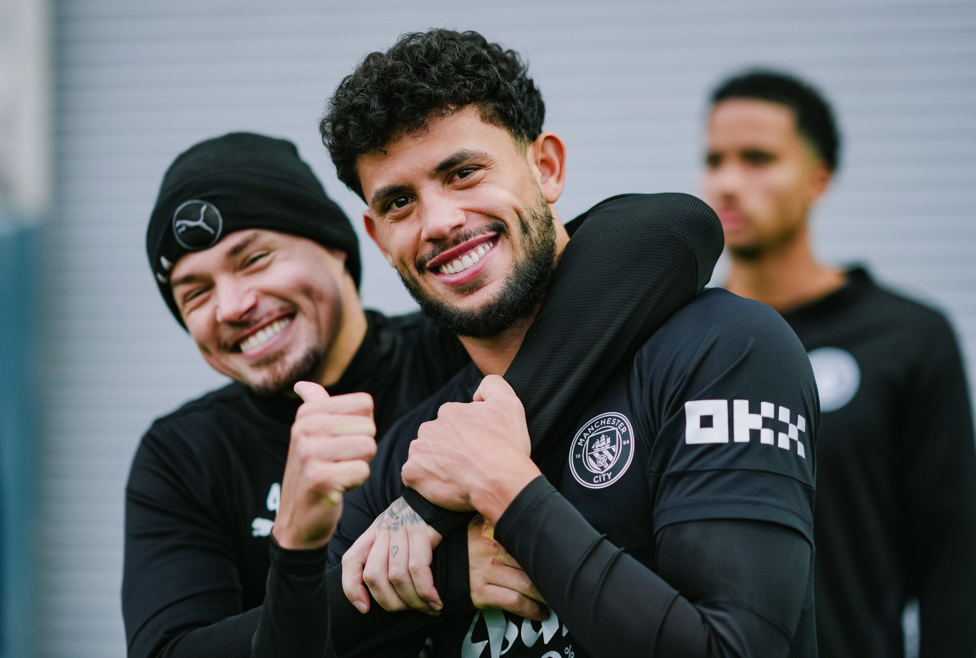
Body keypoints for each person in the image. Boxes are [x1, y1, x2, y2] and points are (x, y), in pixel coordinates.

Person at [122, 131, 724, 657]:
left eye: (254, 260)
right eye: (194, 292)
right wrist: (430, 572)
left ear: (338, 246)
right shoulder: (183, 455)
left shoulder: (456, 343)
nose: (233, 306)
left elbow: (670, 229)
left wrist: (424, 505)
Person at [320, 28, 820, 658]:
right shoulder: (418, 450)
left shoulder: (723, 350)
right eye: (399, 202)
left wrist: (505, 489)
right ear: (377, 236)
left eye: (464, 172)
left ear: (547, 168)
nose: (439, 221)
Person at [700, 68, 976, 658]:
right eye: (715, 158)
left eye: (757, 158)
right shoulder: (683, 337)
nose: (726, 181)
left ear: (817, 178)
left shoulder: (907, 338)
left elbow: (954, 556)